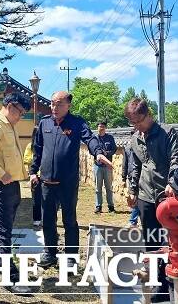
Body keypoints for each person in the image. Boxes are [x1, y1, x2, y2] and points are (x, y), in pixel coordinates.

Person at [29, 91, 106, 268]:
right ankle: (50, 253)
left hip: (68, 182)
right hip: (46, 182)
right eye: (52, 103)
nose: (54, 107)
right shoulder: (44, 123)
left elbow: (90, 139)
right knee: (47, 219)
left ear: (68, 106)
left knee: (69, 220)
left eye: (59, 104)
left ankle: (71, 257)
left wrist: (98, 153)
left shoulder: (77, 123)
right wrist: (33, 171)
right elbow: (38, 149)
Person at [124, 98, 178, 301]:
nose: (137, 127)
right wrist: (132, 190)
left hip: (168, 198)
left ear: (149, 115)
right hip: (145, 197)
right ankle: (158, 285)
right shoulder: (135, 138)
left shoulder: (167, 133)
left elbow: (176, 160)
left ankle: (176, 284)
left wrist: (172, 183)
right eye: (133, 124)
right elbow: (136, 167)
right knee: (152, 244)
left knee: (173, 242)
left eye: (139, 122)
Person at [0, 92, 32, 293]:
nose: (21, 116)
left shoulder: (8, 124)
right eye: (20, 112)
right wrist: (1, 173)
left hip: (11, 182)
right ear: (10, 106)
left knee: (2, 227)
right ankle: (9, 276)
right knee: (3, 230)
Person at [93, 121, 117, 213]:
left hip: (107, 166)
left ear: (105, 128)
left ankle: (111, 206)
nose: (101, 128)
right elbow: (92, 150)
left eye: (102, 126)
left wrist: (108, 153)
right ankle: (98, 206)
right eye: (99, 126)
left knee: (109, 187)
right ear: (97, 128)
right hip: (97, 166)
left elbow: (114, 149)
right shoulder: (94, 138)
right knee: (98, 188)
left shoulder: (110, 138)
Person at [24, 126, 42, 227]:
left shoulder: (47, 145)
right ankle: (37, 219)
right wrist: (31, 173)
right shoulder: (30, 146)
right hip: (35, 176)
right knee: (36, 199)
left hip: (46, 176)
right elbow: (26, 160)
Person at [121, 142, 139, 227]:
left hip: (141, 176)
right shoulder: (127, 148)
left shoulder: (142, 147)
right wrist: (123, 178)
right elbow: (125, 163)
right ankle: (133, 221)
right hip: (131, 176)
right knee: (134, 200)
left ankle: (133, 221)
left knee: (137, 200)